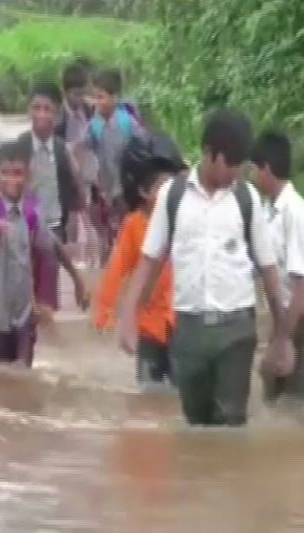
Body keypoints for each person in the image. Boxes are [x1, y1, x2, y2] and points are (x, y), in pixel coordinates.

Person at [117, 109, 293, 427]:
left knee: (230, 421)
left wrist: (282, 335)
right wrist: (129, 316)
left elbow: (268, 269)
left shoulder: (247, 199)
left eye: (242, 165)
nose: (236, 173)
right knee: (196, 424)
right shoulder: (172, 197)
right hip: (189, 332)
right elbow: (149, 260)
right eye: (231, 164)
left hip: (236, 330)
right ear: (210, 154)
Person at [0, 141, 90, 368]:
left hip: (25, 312)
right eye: (5, 173)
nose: (12, 180)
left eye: (18, 174)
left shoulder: (31, 213)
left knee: (24, 373)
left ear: (28, 176)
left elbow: (54, 245)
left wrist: (78, 280)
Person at [94, 132, 185, 388]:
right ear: (143, 191)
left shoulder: (186, 220)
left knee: (181, 390)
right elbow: (116, 269)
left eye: (174, 183)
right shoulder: (134, 225)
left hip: (181, 322)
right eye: (163, 185)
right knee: (150, 391)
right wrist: (106, 313)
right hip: (149, 326)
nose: (171, 191)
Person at [250, 132, 304, 408]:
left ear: (266, 169)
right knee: (271, 402)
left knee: (294, 409)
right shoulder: (268, 209)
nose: (252, 176)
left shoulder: (295, 212)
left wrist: (284, 339)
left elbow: (302, 283)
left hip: (303, 321)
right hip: (284, 318)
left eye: (254, 168)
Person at [15, 80, 83, 313]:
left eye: (48, 109)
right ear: (28, 111)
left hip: (54, 228)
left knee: (47, 305)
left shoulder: (62, 150)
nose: (41, 115)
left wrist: (75, 223)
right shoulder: (18, 148)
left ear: (57, 114)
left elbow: (74, 192)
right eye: (36, 108)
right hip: (22, 232)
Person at [87, 67, 145, 263]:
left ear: (114, 97)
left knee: (126, 221)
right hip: (107, 184)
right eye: (95, 97)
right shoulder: (94, 124)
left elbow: (141, 145)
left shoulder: (126, 122)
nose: (97, 102)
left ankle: (129, 258)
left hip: (127, 184)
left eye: (101, 97)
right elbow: (88, 149)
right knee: (114, 223)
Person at [56, 59, 100, 267]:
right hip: (66, 168)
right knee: (71, 214)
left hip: (86, 168)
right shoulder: (59, 115)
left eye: (82, 93)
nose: (79, 98)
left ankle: (90, 255)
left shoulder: (89, 109)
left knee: (88, 210)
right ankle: (71, 255)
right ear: (65, 93)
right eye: (75, 94)